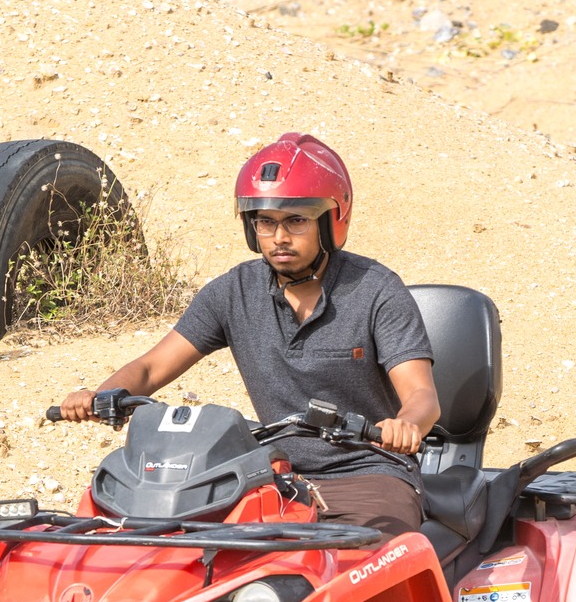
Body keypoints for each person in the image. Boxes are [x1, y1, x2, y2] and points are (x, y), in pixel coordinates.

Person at [60, 132, 439, 537]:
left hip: (368, 474)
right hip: (269, 474)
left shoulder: (376, 290)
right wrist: (102, 396)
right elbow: (151, 368)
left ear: (331, 221)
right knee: (186, 546)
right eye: (266, 222)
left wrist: (405, 425)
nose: (279, 237)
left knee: (366, 556)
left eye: (296, 220)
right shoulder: (233, 292)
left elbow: (422, 396)